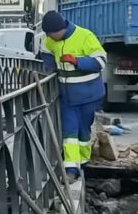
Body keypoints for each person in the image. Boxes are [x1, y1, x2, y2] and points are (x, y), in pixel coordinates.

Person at [40, 10, 107, 180]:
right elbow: (46, 52)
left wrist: (77, 62)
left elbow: (101, 61)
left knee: (83, 131)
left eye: (51, 34)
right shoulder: (49, 40)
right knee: (69, 132)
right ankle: (71, 169)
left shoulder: (85, 36)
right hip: (67, 97)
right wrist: (48, 69)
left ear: (59, 30)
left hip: (89, 95)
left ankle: (83, 162)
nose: (49, 38)